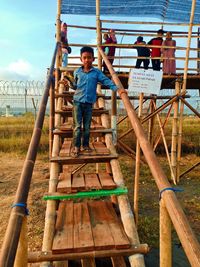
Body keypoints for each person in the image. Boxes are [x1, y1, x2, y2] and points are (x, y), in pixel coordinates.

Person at [72, 46, 123, 157]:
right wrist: (69, 85)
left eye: (89, 57)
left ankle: (85, 145)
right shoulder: (77, 72)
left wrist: (117, 89)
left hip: (89, 103)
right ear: (81, 59)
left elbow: (106, 81)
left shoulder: (96, 73)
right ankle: (76, 146)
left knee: (86, 126)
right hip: (77, 102)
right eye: (84, 58)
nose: (87, 60)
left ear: (93, 59)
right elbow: (75, 86)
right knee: (77, 126)